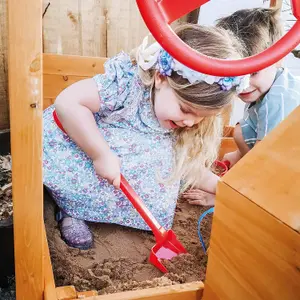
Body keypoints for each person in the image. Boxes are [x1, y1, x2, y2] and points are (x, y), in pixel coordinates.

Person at [43, 24, 248, 249]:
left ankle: (124, 216)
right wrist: (99, 154)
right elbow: (68, 102)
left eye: (202, 117)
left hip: (131, 170)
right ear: (161, 78)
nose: (191, 122)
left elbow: (186, 165)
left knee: (163, 158)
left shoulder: (185, 121)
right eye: (186, 110)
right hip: (88, 157)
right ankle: (72, 211)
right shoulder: (126, 86)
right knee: (83, 179)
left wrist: (221, 188)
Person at [183, 8, 300, 206]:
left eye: (252, 73)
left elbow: (269, 165)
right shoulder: (267, 87)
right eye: (235, 75)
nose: (243, 85)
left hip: (287, 177)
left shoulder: (278, 102)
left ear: (277, 59)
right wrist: (237, 156)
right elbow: (252, 132)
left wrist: (222, 194)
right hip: (275, 158)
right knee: (239, 133)